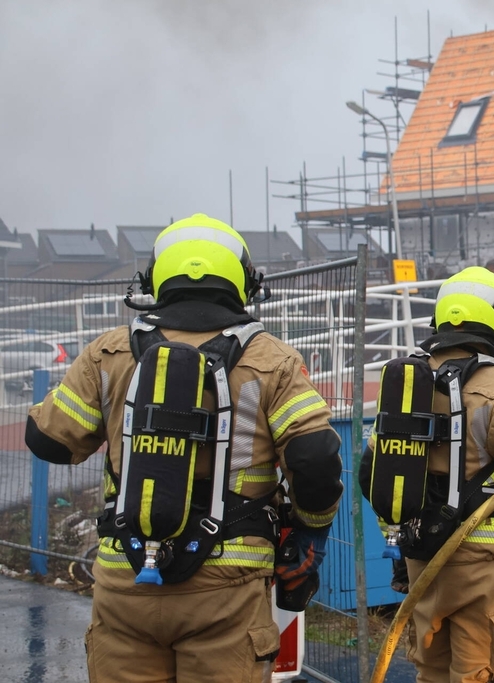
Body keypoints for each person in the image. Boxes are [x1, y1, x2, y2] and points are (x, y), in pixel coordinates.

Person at [24, 214, 343, 683]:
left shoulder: (108, 354)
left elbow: (46, 439)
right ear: (242, 282)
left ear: (156, 279)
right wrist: (308, 534)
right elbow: (315, 461)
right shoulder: (272, 360)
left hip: (124, 575)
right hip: (227, 585)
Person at [360, 266, 494, 683]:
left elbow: (375, 476)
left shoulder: (407, 386)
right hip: (485, 573)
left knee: (432, 675)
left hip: (424, 565)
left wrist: (400, 547)